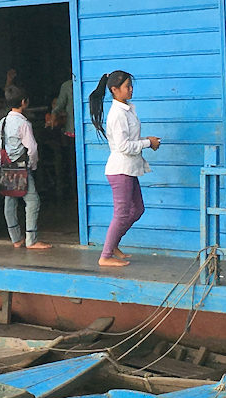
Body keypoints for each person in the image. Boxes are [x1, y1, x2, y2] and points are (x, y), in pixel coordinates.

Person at [88, 70, 161, 267]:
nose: (131, 89)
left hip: (129, 168)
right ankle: (105, 255)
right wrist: (147, 142)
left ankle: (113, 246)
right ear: (114, 90)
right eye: (127, 86)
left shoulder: (127, 109)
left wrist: (147, 142)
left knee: (138, 209)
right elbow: (123, 146)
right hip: (120, 170)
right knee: (122, 213)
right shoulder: (117, 114)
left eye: (131, 86)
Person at [0, 89, 52, 250]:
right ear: (24, 102)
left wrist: (4, 159)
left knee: (9, 201)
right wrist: (33, 164)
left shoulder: (2, 122)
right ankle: (31, 239)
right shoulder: (24, 123)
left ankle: (15, 238)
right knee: (32, 201)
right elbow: (32, 148)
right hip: (21, 168)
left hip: (6, 166)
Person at [51, 78, 76, 200]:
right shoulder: (67, 85)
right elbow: (59, 106)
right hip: (72, 131)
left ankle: (74, 192)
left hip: (75, 131)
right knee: (72, 164)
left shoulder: (67, 86)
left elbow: (59, 106)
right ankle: (74, 192)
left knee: (73, 163)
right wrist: (53, 117)